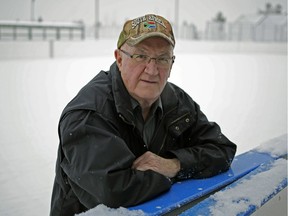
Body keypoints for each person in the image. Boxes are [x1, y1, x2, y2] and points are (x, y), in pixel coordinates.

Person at [50, 14, 237, 216]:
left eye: (162, 58)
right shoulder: (88, 114)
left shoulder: (177, 102)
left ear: (172, 64)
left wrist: (174, 165)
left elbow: (222, 150)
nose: (152, 70)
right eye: (141, 56)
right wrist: (174, 174)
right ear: (119, 59)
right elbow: (115, 192)